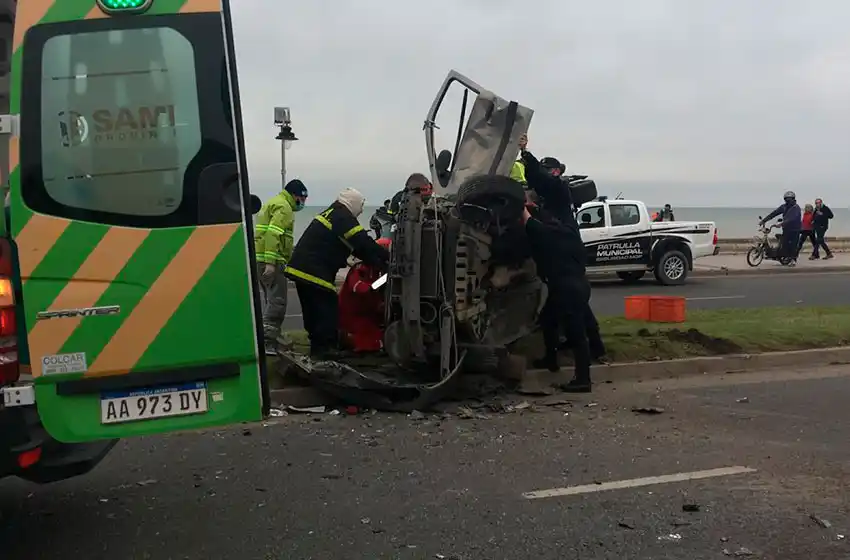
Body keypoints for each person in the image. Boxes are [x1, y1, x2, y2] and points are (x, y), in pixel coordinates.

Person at [521, 149, 607, 365]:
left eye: (547, 169)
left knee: (571, 313)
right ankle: (591, 348)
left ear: (557, 172)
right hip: (567, 263)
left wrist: (526, 155)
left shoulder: (558, 189)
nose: (544, 173)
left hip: (564, 261)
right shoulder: (554, 196)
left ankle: (582, 368)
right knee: (572, 308)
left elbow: (541, 182)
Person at [285, 188, 390, 360]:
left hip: (301, 269)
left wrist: (376, 263)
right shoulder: (343, 218)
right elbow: (363, 243)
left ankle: (318, 349)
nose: (362, 211)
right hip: (315, 271)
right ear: (353, 203)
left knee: (313, 311)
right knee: (327, 308)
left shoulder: (332, 214)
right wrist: (389, 259)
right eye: (361, 206)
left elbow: (357, 248)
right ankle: (326, 350)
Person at [521, 203, 593, 392]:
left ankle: (583, 380)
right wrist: (535, 206)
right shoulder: (569, 232)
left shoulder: (547, 235)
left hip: (566, 288)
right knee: (548, 319)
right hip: (579, 285)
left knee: (576, 334)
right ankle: (551, 360)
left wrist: (522, 205)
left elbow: (527, 220)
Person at [253, 179, 308, 355]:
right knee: (277, 303)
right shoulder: (284, 207)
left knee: (269, 301)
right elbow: (273, 233)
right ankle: (267, 343)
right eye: (302, 197)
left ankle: (269, 337)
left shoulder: (272, 202)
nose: (303, 202)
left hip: (259, 258)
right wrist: (271, 263)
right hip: (272, 261)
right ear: (294, 195)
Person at [338, 237, 392, 352]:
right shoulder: (360, 269)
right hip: (353, 316)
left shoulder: (380, 271)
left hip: (369, 314)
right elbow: (360, 288)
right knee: (369, 344)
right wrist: (384, 280)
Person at [760, 191, 802, 265]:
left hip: (795, 229)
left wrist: (782, 223)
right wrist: (764, 220)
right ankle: (784, 257)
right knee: (785, 244)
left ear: (793, 199)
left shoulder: (796, 208)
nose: (788, 200)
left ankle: (793, 260)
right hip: (786, 228)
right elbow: (774, 213)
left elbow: (792, 218)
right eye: (786, 199)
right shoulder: (784, 206)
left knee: (793, 245)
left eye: (789, 199)